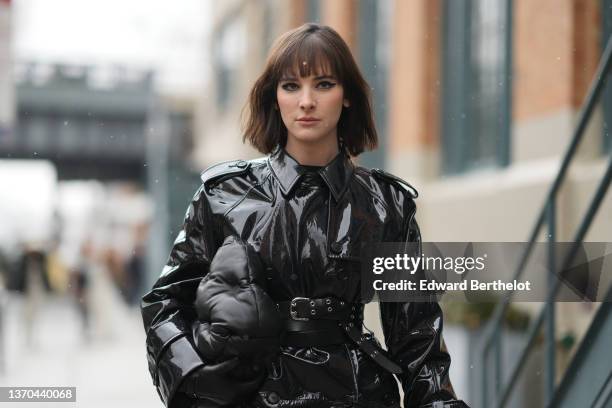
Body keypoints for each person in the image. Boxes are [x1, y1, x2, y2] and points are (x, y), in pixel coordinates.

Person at [141, 23, 468, 408]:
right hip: (252, 395)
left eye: (324, 84)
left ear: (347, 96)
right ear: (274, 97)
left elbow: (416, 334)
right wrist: (196, 380)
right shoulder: (224, 195)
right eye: (291, 85)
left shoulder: (386, 203)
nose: (307, 101)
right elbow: (165, 304)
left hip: (359, 393)